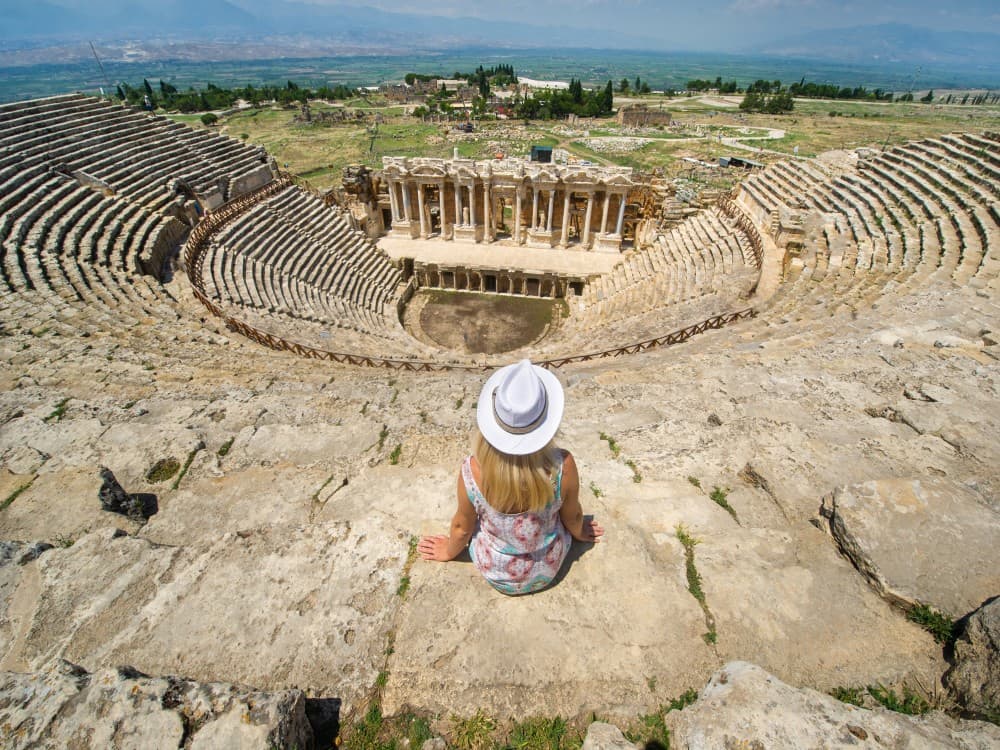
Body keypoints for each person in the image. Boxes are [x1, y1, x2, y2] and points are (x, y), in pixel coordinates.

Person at [418, 359, 604, 594]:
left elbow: (461, 529)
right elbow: (573, 515)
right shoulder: (563, 466)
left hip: (497, 573)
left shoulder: (472, 471)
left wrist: (447, 551)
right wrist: (580, 533)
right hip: (548, 568)